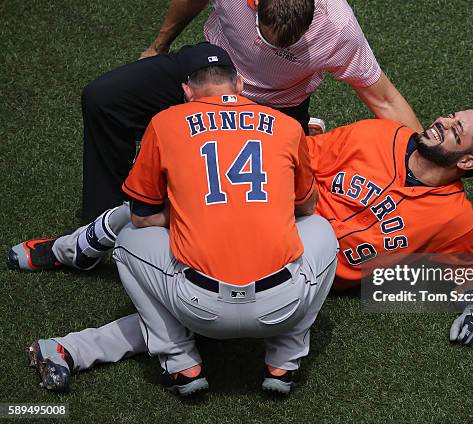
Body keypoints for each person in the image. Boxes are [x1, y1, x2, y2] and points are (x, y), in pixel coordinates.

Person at [13, 105, 473, 392]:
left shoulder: (455, 217)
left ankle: (71, 337)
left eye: (455, 131)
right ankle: (73, 250)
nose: (440, 122)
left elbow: (467, 264)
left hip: (307, 272)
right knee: (162, 212)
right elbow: (298, 162)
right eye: (450, 115)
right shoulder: (377, 136)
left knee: (192, 301)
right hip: (270, 220)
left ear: (468, 162)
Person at [26, 42, 339, 396]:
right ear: (238, 85)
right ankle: (283, 364)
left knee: (128, 236)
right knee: (321, 229)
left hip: (198, 307)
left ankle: (181, 363)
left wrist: (187, 215)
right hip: (281, 305)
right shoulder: (286, 126)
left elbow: (142, 217)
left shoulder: (165, 123)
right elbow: (307, 206)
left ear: (187, 91)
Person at [80, 0, 423, 222]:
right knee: (103, 98)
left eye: (288, 47)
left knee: (258, 213)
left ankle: (301, 135)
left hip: (275, 106)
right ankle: (100, 219)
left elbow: (386, 100)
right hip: (211, 66)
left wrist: (429, 161)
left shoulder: (338, 28)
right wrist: (159, 45)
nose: (270, 49)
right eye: (267, 38)